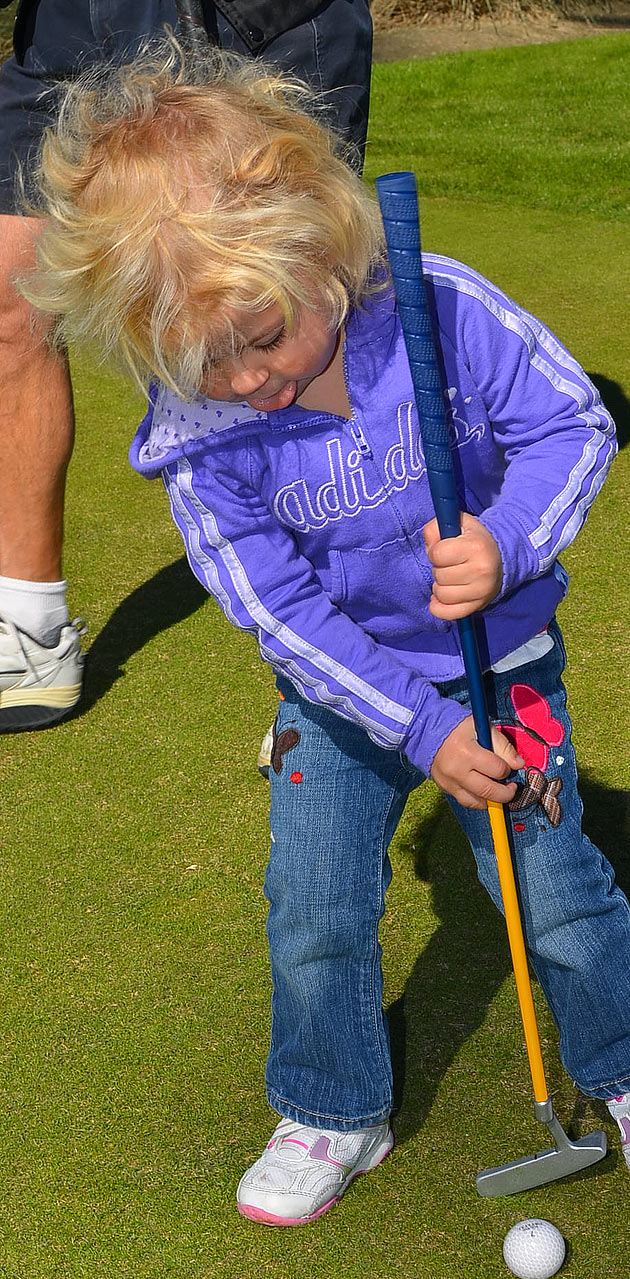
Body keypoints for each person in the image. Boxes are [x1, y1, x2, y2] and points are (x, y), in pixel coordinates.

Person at [21, 38, 630, 1225]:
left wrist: (505, 539)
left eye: (259, 337)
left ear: (320, 251)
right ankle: (331, 1105)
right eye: (197, 360)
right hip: (347, 697)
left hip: (499, 666)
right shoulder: (200, 429)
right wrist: (421, 726)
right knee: (313, 906)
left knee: (551, 888)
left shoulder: (441, 308)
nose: (245, 382)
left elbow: (571, 425)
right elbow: (275, 611)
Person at [0, 0, 372, 732]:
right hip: (68, 25)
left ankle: (346, 654)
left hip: (255, 13)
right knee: (10, 299)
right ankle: (29, 629)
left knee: (281, 306)